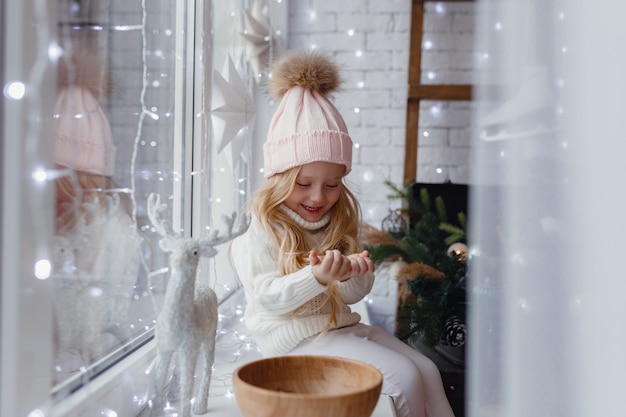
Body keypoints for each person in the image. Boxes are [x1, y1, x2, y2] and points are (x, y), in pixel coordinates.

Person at [230, 50, 455, 417]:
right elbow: (266, 298)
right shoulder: (260, 229)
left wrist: (354, 276)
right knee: (403, 378)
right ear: (279, 177)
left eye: (332, 184)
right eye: (304, 183)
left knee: (428, 369)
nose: (319, 197)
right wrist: (316, 276)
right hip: (292, 341)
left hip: (338, 327)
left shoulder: (335, 220)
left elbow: (350, 295)